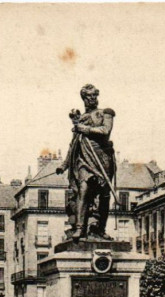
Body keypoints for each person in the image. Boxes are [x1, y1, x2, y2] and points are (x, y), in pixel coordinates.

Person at [56, 84, 117, 242]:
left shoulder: (106, 113)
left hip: (102, 158)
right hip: (84, 159)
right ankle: (80, 228)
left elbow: (105, 131)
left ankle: (101, 229)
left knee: (104, 195)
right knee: (83, 190)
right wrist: (64, 165)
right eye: (89, 96)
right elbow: (74, 144)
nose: (92, 99)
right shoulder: (81, 119)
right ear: (84, 98)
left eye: (94, 96)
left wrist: (85, 129)